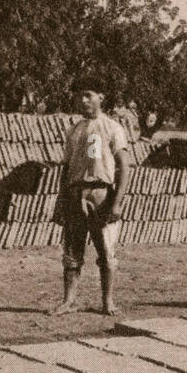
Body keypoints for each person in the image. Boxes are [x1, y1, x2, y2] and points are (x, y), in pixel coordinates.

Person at [50, 86, 130, 316]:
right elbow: (65, 168)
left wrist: (117, 202)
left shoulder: (112, 128)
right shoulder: (74, 130)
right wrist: (61, 198)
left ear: (101, 97)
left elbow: (124, 166)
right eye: (80, 95)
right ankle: (69, 301)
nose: (83, 100)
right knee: (72, 250)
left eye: (89, 95)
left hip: (101, 194)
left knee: (105, 250)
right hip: (76, 193)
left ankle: (107, 301)